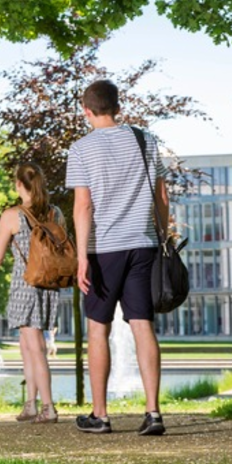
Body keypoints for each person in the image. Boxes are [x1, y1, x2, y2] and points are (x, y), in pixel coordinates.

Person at [66, 79, 167, 436]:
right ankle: (153, 413)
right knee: (142, 325)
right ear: (117, 106)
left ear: (87, 110)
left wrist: (81, 257)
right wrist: (161, 238)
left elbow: (83, 206)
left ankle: (101, 415)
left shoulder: (80, 148)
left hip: (103, 250)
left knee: (98, 328)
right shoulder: (146, 140)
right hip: (144, 244)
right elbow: (161, 198)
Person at [0, 162, 61, 424]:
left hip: (25, 285)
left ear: (19, 184)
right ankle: (30, 404)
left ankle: (48, 407)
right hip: (49, 285)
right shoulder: (54, 213)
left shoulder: (12, 216)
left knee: (35, 347)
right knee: (27, 346)